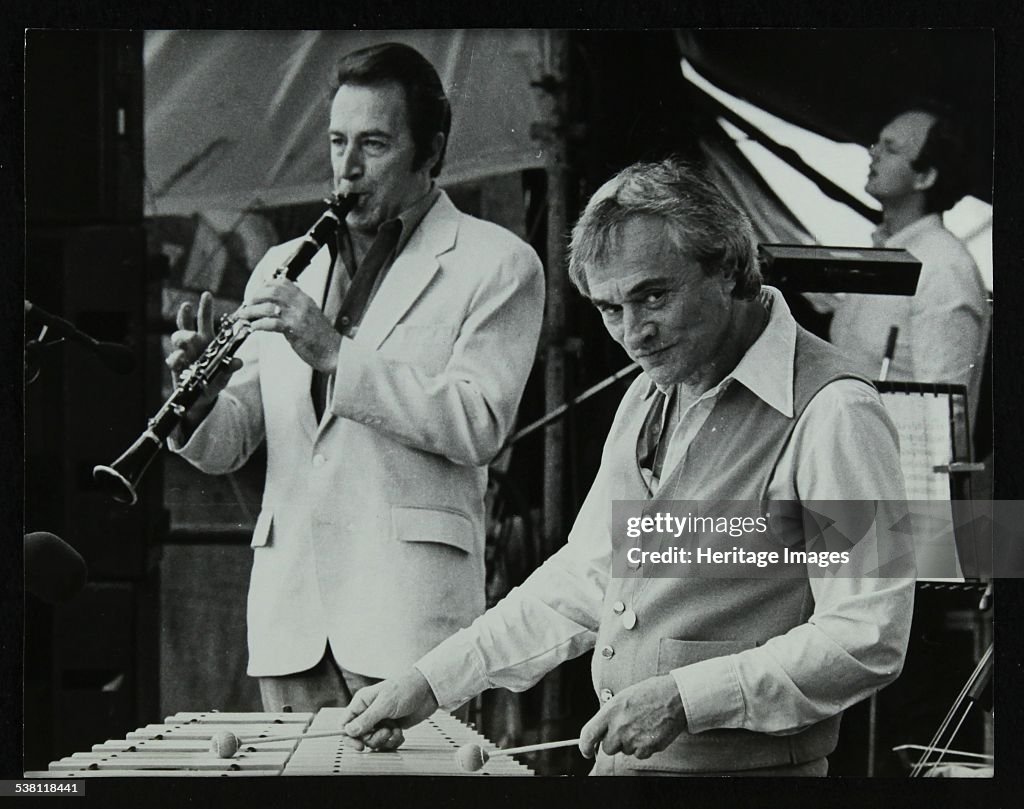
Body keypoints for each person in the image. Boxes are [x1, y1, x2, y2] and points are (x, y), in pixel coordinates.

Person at [337, 158, 915, 776]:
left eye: (653, 296)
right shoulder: (649, 393)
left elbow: (866, 632)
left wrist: (687, 700)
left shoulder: (835, 410)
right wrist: (431, 681)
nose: (634, 333)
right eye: (611, 309)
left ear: (724, 266)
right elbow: (588, 578)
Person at [165, 42, 545, 713]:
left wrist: (334, 350)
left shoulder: (498, 263)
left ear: (431, 151)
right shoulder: (285, 265)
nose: (346, 166)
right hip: (292, 624)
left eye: (374, 143)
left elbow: (478, 421)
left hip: (410, 631)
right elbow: (238, 440)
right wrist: (198, 401)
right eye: (338, 140)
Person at [827, 106, 989, 425]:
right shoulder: (883, 252)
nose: (873, 154)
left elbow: (944, 414)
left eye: (891, 148)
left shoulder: (944, 267)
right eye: (877, 143)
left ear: (925, 176)